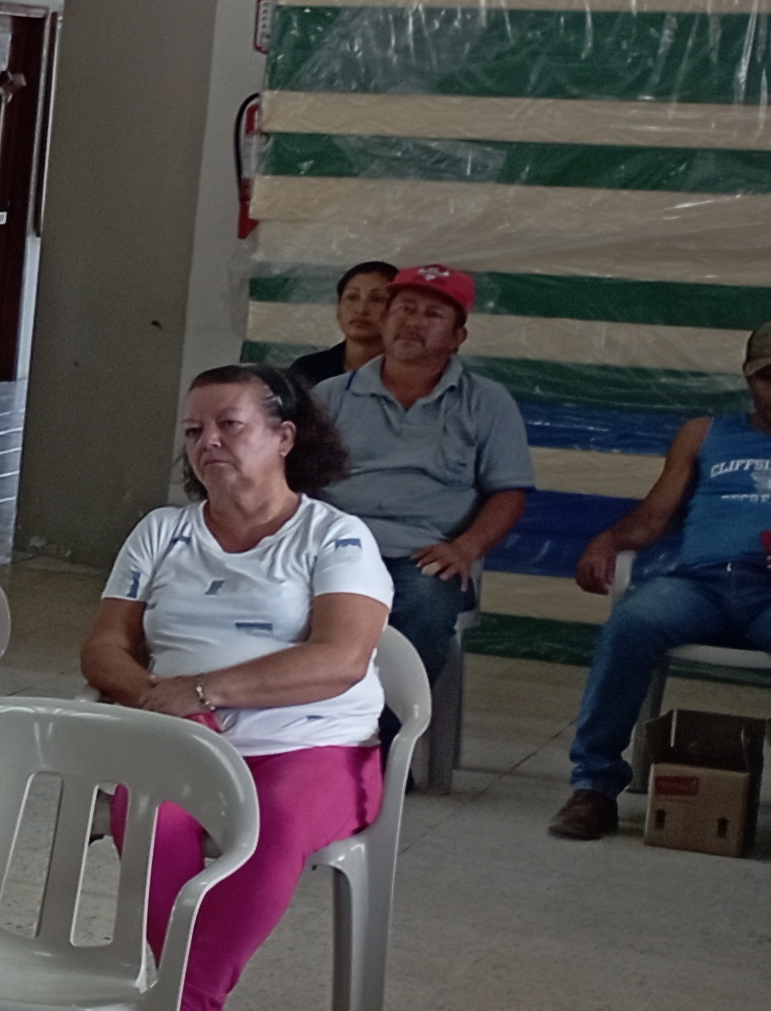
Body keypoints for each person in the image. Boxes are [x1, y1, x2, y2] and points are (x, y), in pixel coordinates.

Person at [84, 364, 389, 1011]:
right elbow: (103, 649)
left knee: (270, 820)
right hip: (186, 736)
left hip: (313, 744)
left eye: (230, 425)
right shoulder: (162, 532)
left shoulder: (335, 537)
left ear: (284, 437)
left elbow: (341, 659)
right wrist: (162, 699)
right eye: (195, 430)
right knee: (150, 812)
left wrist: (204, 691)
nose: (208, 442)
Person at [547, 324, 771, 841]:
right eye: (769, 377)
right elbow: (653, 519)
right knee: (631, 622)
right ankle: (594, 787)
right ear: (748, 378)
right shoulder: (704, 433)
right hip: (701, 586)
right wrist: (607, 541)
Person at [312, 263, 529, 688]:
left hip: (423, 557)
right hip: (331, 547)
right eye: (404, 309)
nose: (413, 322)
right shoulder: (330, 395)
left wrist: (466, 548)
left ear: (458, 337)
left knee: (425, 609)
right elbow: (293, 481)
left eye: (432, 314)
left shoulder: (487, 401)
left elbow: (509, 492)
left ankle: (388, 727)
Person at [289, 259, 400, 393]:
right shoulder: (308, 370)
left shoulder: (410, 373)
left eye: (377, 299)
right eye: (352, 297)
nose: (361, 309)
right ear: (338, 307)